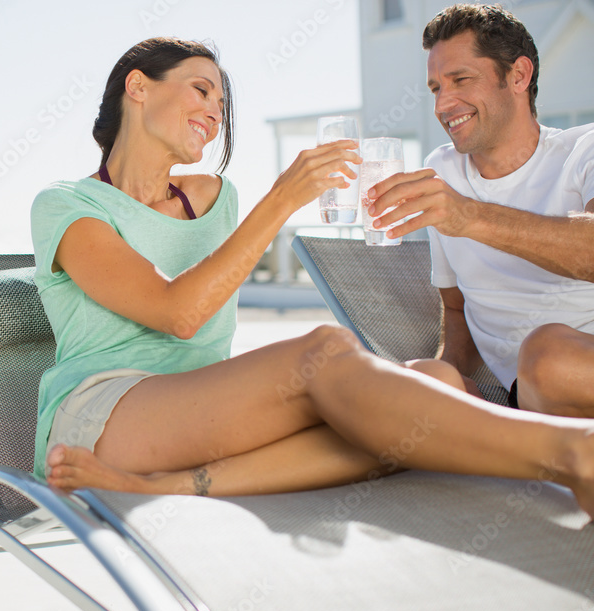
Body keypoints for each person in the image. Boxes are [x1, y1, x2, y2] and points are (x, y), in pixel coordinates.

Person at [30, 37, 594, 518]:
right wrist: (284, 198)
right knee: (324, 349)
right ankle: (572, 450)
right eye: (202, 90)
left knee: (434, 386)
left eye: (222, 102)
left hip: (207, 420)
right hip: (104, 417)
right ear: (138, 87)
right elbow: (179, 313)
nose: (215, 111)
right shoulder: (66, 204)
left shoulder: (214, 198)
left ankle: (174, 485)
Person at [365, 4, 594, 418]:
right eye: (435, 88)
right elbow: (457, 310)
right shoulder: (443, 173)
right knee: (406, 386)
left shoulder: (584, 150)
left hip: (574, 372)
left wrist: (468, 216)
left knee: (547, 356)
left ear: (519, 75)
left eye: (461, 80)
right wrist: (442, 379)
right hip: (524, 403)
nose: (443, 104)